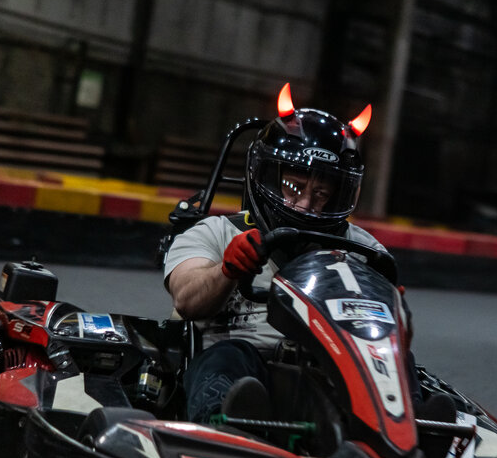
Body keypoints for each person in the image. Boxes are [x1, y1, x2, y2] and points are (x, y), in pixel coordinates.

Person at [162, 84, 435, 427]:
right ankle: (227, 427)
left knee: (400, 360)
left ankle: (416, 429)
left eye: (321, 193)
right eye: (294, 188)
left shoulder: (365, 252)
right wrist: (227, 270)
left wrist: (394, 320)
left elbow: (385, 340)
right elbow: (186, 300)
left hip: (331, 373)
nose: (306, 204)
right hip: (248, 368)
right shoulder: (216, 232)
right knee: (228, 356)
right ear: (266, 177)